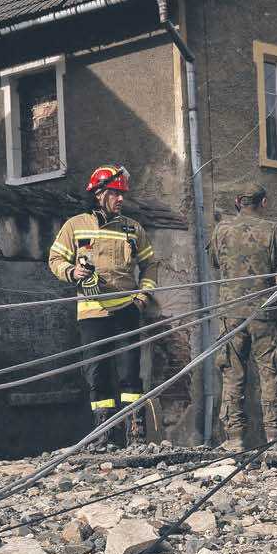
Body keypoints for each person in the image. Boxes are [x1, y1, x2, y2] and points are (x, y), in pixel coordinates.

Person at [49, 164, 158, 444]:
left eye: (122, 194)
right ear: (98, 194)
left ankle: (136, 434)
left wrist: (142, 297)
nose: (120, 199)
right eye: (114, 193)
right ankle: (105, 435)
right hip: (91, 312)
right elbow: (55, 260)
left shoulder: (132, 229)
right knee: (97, 375)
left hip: (127, 310)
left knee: (129, 373)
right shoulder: (75, 226)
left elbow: (150, 265)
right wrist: (73, 272)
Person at [207, 182, 277, 450]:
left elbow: (215, 262)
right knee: (270, 373)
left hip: (230, 314)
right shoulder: (273, 231)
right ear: (263, 203)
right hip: (264, 312)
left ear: (238, 203)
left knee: (232, 374)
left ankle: (235, 439)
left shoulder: (221, 231)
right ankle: (274, 439)